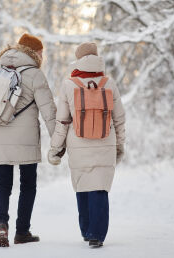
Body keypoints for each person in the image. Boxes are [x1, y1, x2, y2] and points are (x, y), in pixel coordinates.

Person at [48, 42, 126, 248]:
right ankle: (97, 235)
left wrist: (55, 148)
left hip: (78, 145)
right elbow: (119, 119)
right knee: (99, 188)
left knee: (83, 186)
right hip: (105, 142)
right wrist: (120, 145)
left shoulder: (69, 84)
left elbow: (62, 121)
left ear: (79, 59)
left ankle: (86, 230)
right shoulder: (109, 83)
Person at [0, 33, 56, 247]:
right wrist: (58, 141)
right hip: (25, 138)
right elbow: (49, 112)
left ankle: (1, 226)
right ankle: (22, 231)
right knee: (28, 185)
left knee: (3, 184)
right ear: (35, 53)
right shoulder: (35, 75)